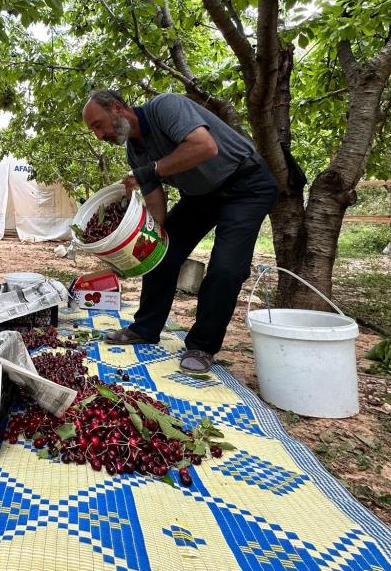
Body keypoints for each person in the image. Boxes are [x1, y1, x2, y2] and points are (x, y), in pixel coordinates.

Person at [81, 90, 279, 373]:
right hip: (201, 196)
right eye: (93, 131)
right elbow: (157, 213)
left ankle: (201, 346)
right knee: (161, 251)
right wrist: (134, 245)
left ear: (116, 108)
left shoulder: (166, 107)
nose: (99, 135)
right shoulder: (135, 152)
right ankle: (145, 329)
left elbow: (205, 146)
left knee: (226, 268)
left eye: (98, 125)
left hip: (246, 185)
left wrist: (152, 171)